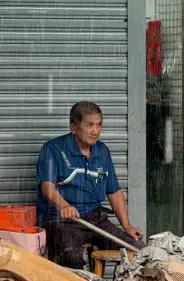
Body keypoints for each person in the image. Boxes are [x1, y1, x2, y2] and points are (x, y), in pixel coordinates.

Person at [37, 101, 145, 269]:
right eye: (89, 125)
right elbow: (47, 188)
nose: (95, 131)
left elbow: (114, 192)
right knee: (71, 257)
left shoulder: (102, 151)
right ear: (73, 127)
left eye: (99, 125)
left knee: (138, 250)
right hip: (62, 222)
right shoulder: (53, 149)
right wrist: (64, 206)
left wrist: (127, 225)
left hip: (96, 220)